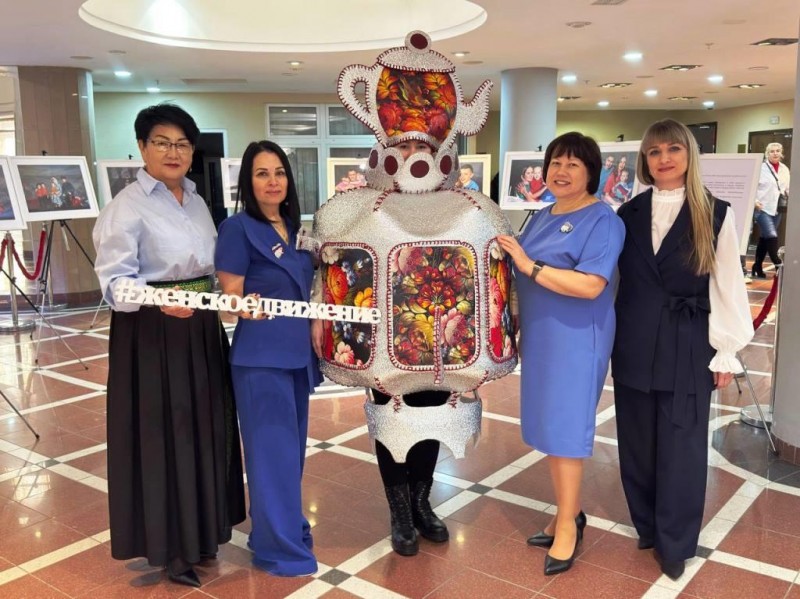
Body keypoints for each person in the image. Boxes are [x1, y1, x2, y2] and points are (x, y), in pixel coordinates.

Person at [93, 103, 246, 589]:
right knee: (166, 434)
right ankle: (171, 547)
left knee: (205, 427)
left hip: (200, 328)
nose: (173, 152)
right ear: (142, 148)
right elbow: (115, 284)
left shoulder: (197, 201)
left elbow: (207, 268)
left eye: (181, 143)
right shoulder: (125, 207)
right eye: (162, 142)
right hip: (152, 335)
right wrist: (160, 301)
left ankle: (202, 532)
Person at [612, 118, 753, 580]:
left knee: (682, 446)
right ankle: (647, 525)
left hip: (688, 342)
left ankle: (675, 542)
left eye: (673, 149)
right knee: (637, 443)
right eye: (654, 151)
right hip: (633, 341)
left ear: (690, 155)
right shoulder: (627, 214)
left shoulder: (715, 213)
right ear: (644, 160)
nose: (664, 158)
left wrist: (726, 350)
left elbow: (728, 283)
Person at [497, 132, 625, 576]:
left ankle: (568, 526)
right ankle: (566, 512)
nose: (561, 171)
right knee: (550, 427)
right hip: (542, 335)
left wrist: (529, 265)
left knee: (567, 429)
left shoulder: (602, 220)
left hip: (576, 338)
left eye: (573, 164)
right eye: (555, 162)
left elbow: (591, 285)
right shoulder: (541, 215)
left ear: (592, 172)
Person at [215, 140, 321, 577]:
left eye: (279, 172)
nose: (272, 181)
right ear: (248, 181)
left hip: (297, 356)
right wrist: (242, 306)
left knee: (290, 456)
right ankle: (279, 549)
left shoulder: (295, 229)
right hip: (261, 358)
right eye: (262, 173)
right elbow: (229, 299)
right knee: (270, 456)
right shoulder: (237, 229)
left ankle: (279, 528)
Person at [752, 142, 791, 278]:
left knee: (764, 237)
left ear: (781, 153)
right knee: (771, 235)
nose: (775, 153)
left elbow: (787, 188)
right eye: (772, 151)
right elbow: (752, 186)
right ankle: (778, 264)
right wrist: (754, 202)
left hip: (777, 208)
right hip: (762, 208)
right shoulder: (760, 168)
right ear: (767, 154)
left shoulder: (784, 169)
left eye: (777, 151)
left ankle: (757, 266)